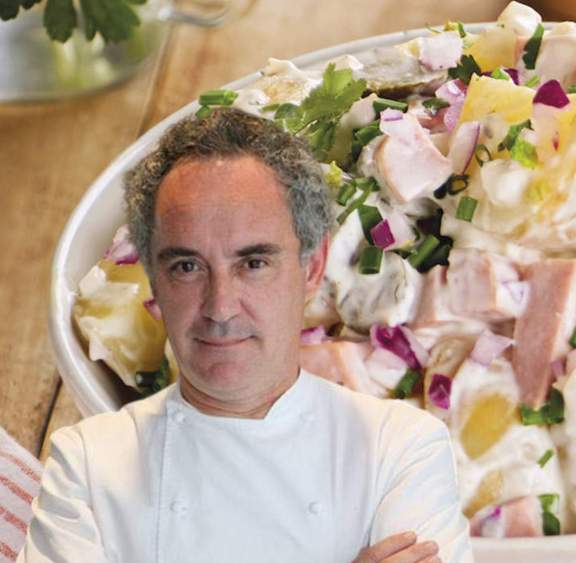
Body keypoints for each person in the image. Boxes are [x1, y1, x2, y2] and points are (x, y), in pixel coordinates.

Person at [20, 109, 473, 563]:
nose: (220, 307)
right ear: (154, 278)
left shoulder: (402, 447)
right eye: (187, 267)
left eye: (254, 264)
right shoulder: (87, 463)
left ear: (313, 267)